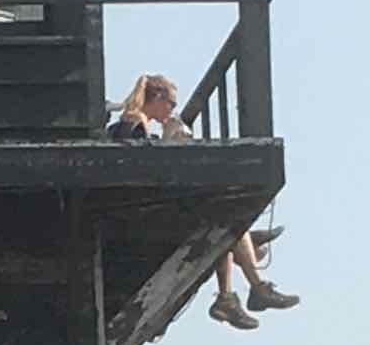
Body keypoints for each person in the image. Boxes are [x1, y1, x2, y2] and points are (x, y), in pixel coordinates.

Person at [107, 73, 297, 327]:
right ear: (158, 98)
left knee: (225, 223)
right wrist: (168, 140)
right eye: (172, 103)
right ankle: (251, 284)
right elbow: (147, 175)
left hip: (150, 207)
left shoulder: (138, 126)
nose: (173, 110)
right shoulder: (133, 123)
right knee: (226, 219)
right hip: (144, 211)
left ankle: (233, 293)